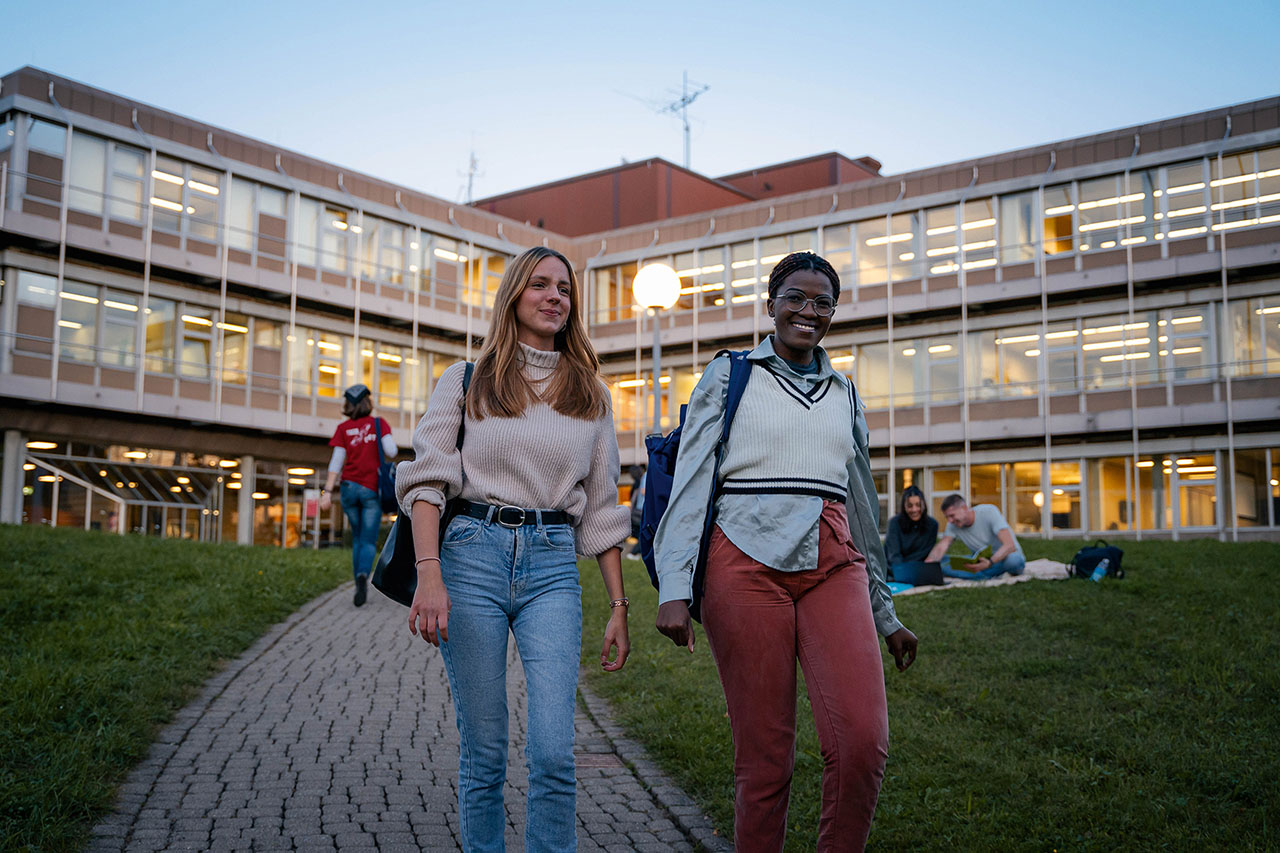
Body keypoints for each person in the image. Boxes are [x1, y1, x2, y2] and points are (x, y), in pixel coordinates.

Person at [653, 251, 918, 853]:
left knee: (862, 744)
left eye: (823, 302)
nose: (809, 311)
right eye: (795, 297)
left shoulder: (845, 392)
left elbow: (863, 509)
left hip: (833, 558)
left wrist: (886, 614)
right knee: (766, 761)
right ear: (770, 304)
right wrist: (674, 586)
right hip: (741, 557)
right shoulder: (730, 374)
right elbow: (693, 480)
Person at [395, 246, 631, 853]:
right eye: (541, 285)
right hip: (470, 556)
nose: (556, 296)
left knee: (554, 750)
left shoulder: (591, 395)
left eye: (565, 288)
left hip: (553, 564)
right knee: (486, 748)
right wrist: (429, 576)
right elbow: (427, 482)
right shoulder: (466, 380)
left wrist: (618, 607)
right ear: (513, 296)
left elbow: (602, 507)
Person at [319, 383, 397, 606]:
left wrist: (327, 493)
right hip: (371, 490)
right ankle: (364, 574)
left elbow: (336, 462)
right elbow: (391, 451)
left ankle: (357, 582)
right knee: (369, 540)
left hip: (348, 489)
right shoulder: (378, 424)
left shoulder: (344, 429)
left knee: (357, 538)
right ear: (367, 403)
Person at [925, 494, 1026, 580]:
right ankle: (990, 574)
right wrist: (928, 564)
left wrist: (990, 562)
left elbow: (1009, 545)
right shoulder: (953, 525)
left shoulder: (989, 511)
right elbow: (943, 545)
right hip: (980, 561)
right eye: (947, 517)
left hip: (1003, 558)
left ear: (964, 508)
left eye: (952, 515)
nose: (950, 521)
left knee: (1013, 561)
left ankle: (983, 574)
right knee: (943, 561)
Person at [884, 484, 940, 586]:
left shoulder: (932, 525)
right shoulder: (894, 523)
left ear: (923, 505)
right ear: (904, 507)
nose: (914, 510)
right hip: (895, 567)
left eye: (918, 505)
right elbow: (893, 555)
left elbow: (926, 552)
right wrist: (903, 572)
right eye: (910, 506)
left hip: (919, 566)